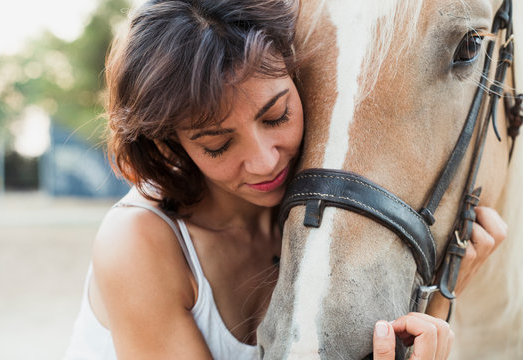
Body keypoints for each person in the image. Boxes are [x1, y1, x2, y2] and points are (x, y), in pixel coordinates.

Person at [64, 0, 507, 359]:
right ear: (169, 144)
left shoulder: (315, 210)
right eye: (217, 145)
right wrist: (438, 302)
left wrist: (439, 289)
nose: (263, 162)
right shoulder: (137, 241)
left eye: (277, 116)